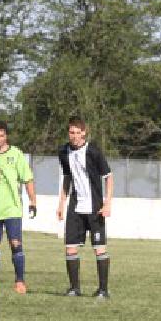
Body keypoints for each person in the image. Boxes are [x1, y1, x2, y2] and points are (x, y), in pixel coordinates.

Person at [57, 117, 114, 299]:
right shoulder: (64, 152)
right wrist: (61, 202)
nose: (73, 136)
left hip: (95, 207)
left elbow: (109, 177)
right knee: (70, 248)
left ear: (83, 132)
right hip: (75, 207)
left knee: (99, 248)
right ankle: (74, 288)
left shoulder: (93, 151)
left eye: (77, 132)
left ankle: (103, 290)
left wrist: (107, 203)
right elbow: (67, 177)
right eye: (70, 132)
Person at [0, 121, 37, 294]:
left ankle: (19, 281)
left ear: (6, 136)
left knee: (15, 244)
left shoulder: (16, 154)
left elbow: (27, 179)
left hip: (12, 209)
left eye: (1, 135)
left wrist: (33, 201)